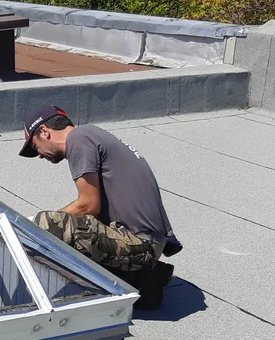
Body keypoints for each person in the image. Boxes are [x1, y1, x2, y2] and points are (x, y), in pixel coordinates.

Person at [19, 104, 178, 308]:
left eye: (35, 146)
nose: (39, 155)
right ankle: (141, 281)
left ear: (44, 132)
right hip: (143, 239)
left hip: (140, 243)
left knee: (48, 224)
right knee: (66, 228)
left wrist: (30, 225)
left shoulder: (78, 138)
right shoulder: (90, 134)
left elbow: (87, 206)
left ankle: (33, 296)